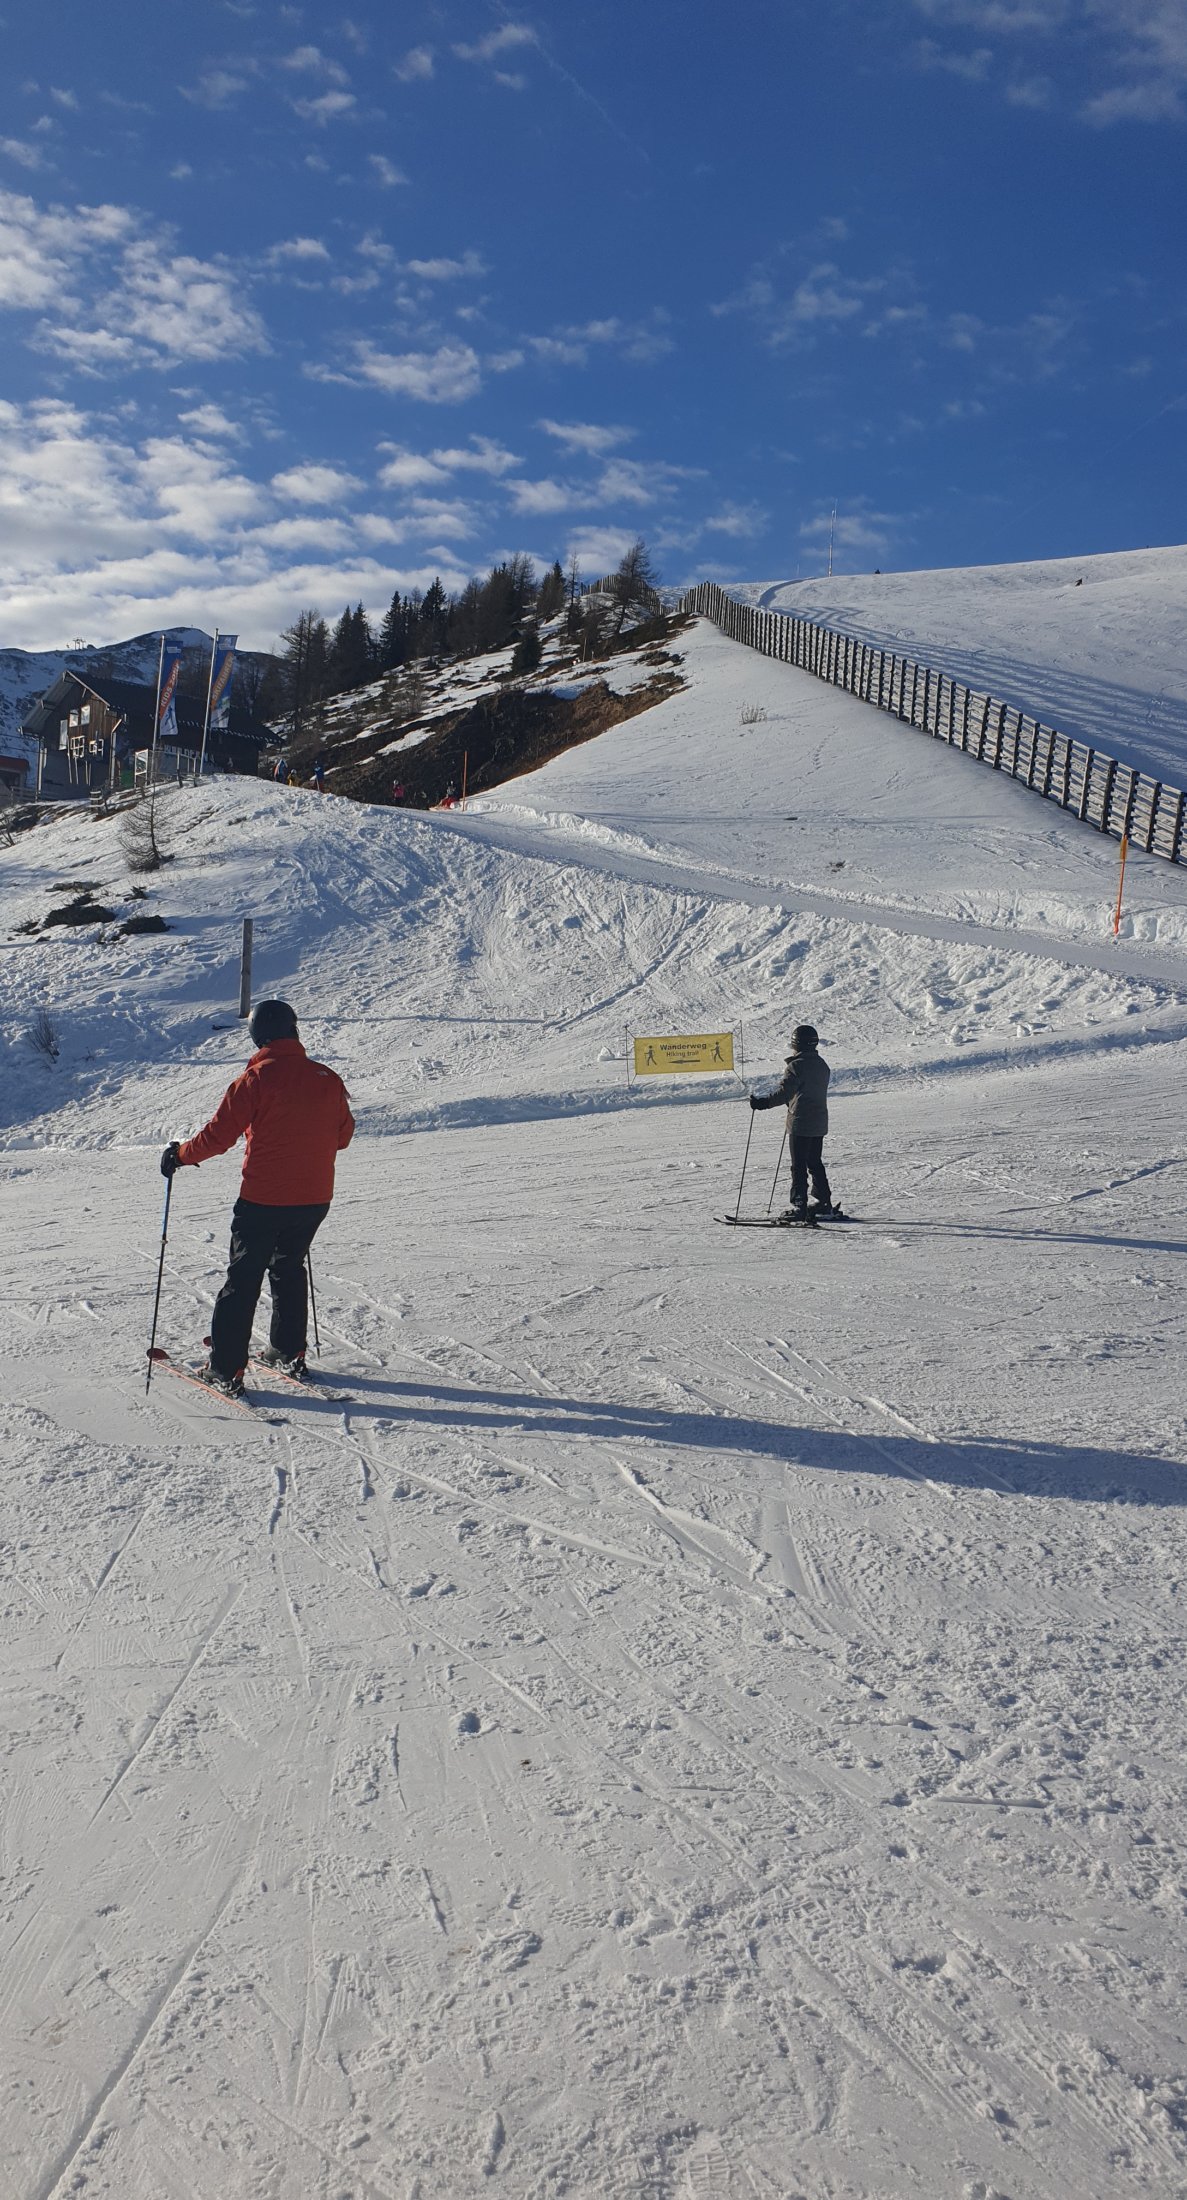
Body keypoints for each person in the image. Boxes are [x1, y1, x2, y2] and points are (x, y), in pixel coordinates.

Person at [160, 1000, 354, 1394]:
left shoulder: (255, 1079)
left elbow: (217, 1137)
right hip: (314, 1199)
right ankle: (288, 1350)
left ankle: (225, 1367)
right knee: (288, 1268)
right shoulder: (327, 1078)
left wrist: (179, 1155)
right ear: (293, 1030)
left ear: (257, 1036)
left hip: (264, 1199)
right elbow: (343, 1136)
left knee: (244, 1278)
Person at [749, 1024, 835, 1219]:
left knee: (798, 1165)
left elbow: (785, 1093)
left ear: (797, 1045)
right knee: (814, 1162)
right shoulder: (822, 1065)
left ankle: (799, 1205)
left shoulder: (796, 1066)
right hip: (819, 1122)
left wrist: (763, 1103)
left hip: (800, 1122)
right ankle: (823, 1202)